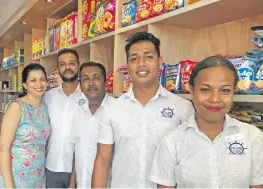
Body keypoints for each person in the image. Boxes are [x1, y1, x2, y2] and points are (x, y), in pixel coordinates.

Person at [91, 32, 195, 188]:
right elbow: (102, 161)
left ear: (160, 62)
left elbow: (189, 163)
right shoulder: (111, 109)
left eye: (148, 57)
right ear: (127, 66)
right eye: (134, 58)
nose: (141, 63)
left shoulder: (182, 108)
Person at [149, 56, 263, 188]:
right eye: (205, 90)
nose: (215, 99)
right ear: (192, 90)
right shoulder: (172, 142)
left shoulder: (253, 137)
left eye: (224, 90)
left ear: (234, 92)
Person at [0, 63, 51, 188]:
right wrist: (9, 185)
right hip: (15, 175)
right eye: (33, 80)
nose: (39, 84)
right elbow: (3, 148)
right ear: (25, 85)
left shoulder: (45, 108)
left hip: (38, 176)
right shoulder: (17, 107)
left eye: (42, 80)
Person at [68, 62, 115, 188]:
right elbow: (76, 153)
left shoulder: (117, 109)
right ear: (80, 85)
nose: (91, 83)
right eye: (85, 79)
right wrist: (72, 185)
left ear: (105, 82)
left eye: (96, 78)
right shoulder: (77, 111)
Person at [44, 48, 81, 188]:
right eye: (63, 64)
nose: (67, 68)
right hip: (51, 168)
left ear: (78, 65)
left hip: (78, 170)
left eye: (72, 63)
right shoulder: (48, 97)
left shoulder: (87, 98)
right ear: (58, 68)